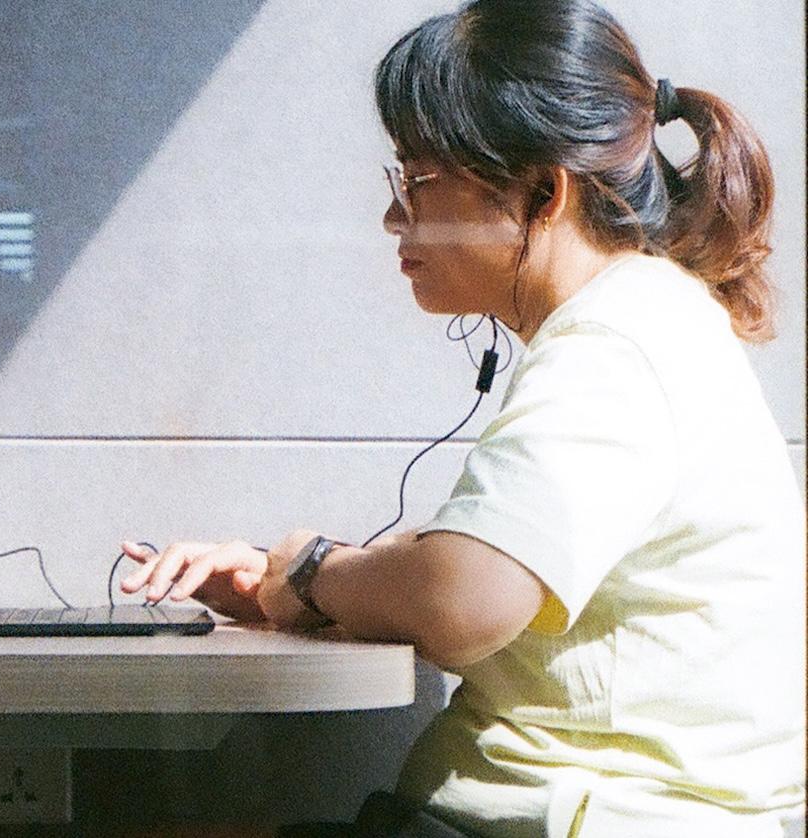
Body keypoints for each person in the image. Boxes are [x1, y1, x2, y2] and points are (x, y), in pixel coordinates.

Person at [117, 1, 806, 835]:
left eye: (419, 179)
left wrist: (309, 568)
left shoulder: (616, 343)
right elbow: (488, 568)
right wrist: (294, 583)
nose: (393, 217)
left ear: (541, 192)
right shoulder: (646, 320)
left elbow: (463, 600)